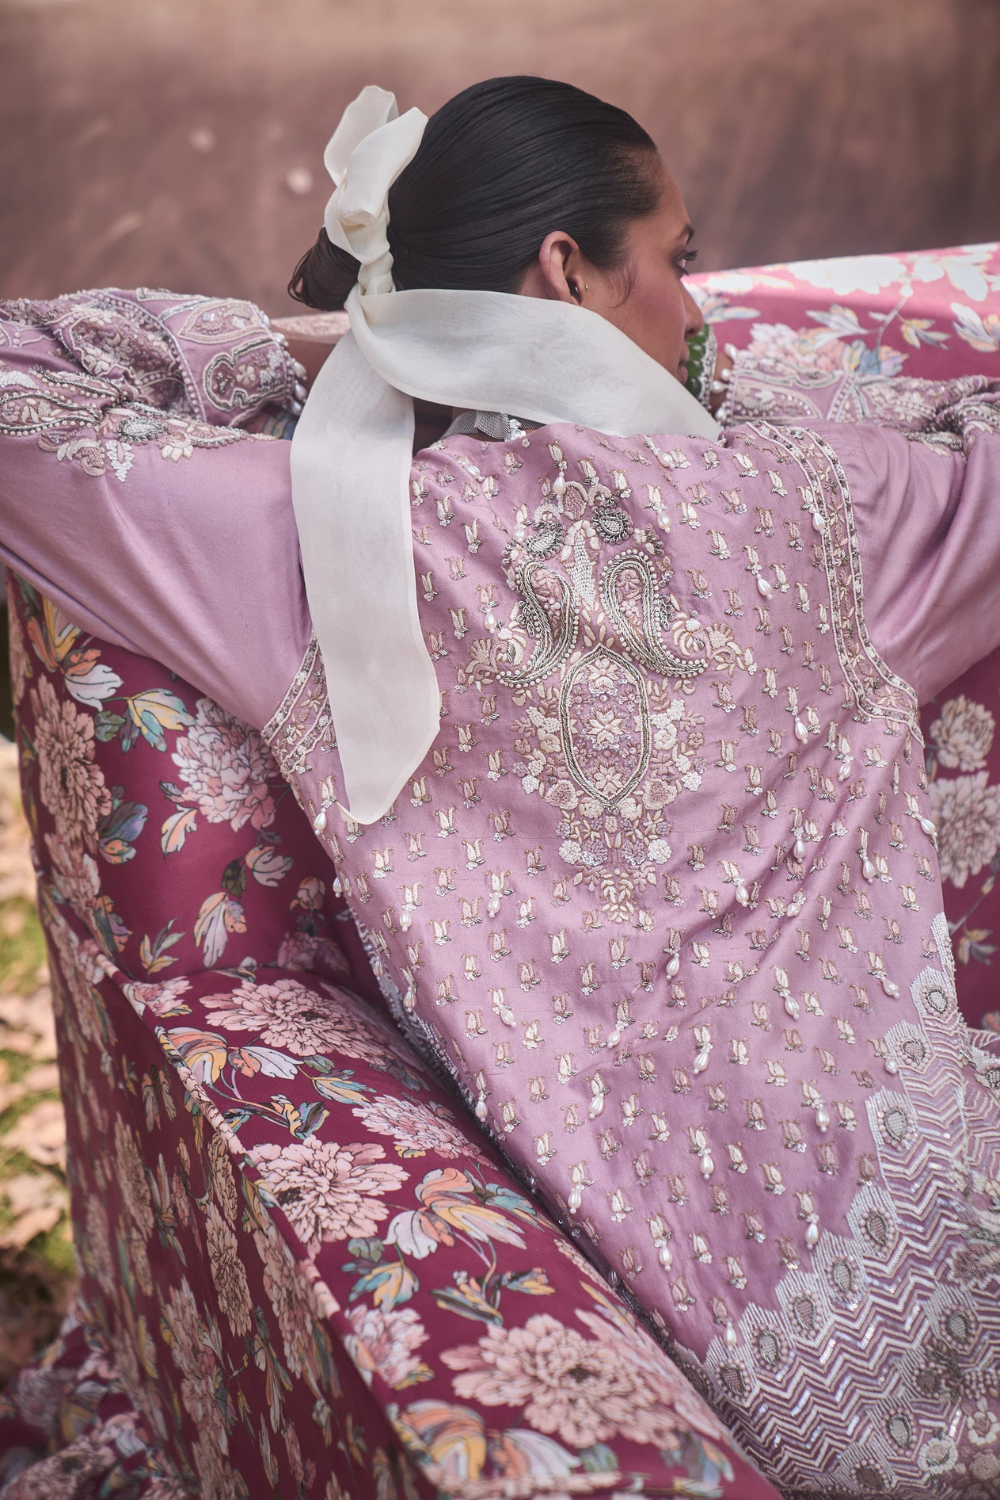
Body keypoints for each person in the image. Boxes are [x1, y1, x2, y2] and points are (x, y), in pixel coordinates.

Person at [2, 76, 1000, 1497]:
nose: (702, 317)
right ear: (568, 272)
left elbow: (19, 376)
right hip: (914, 1238)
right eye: (681, 261)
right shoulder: (826, 508)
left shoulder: (322, 544)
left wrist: (326, 351)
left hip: (606, 1270)